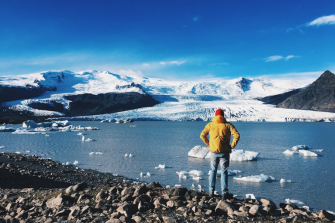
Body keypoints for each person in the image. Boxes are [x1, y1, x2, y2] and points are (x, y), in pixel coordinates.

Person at [200, 108, 240, 199]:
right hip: (225, 152)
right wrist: (231, 146)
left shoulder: (210, 125)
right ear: (223, 115)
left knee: (213, 171)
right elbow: (237, 135)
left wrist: (209, 144)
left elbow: (202, 135)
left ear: (215, 116)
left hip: (214, 152)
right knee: (224, 172)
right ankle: (224, 193)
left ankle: (211, 192)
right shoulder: (228, 125)